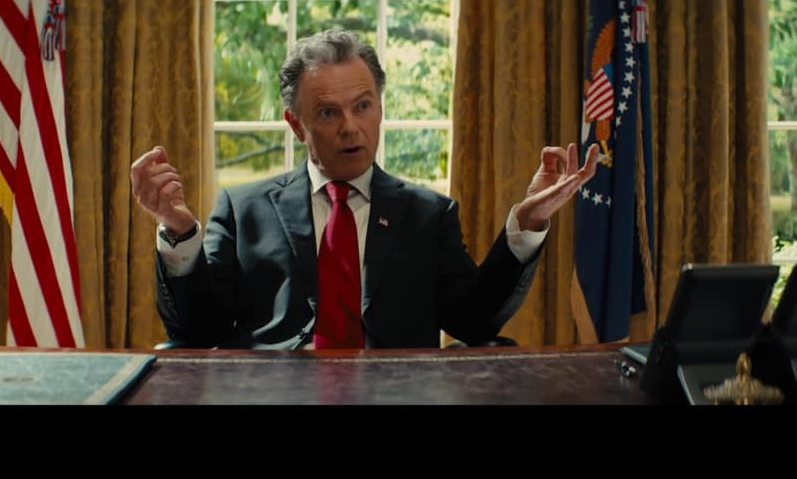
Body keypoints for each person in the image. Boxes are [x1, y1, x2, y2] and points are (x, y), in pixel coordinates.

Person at [131, 29, 599, 349]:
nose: (351, 128)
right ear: (296, 125)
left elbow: (472, 323)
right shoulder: (242, 209)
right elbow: (196, 331)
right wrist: (177, 229)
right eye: (328, 113)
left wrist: (528, 222)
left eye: (362, 106)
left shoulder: (428, 213)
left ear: (379, 107)